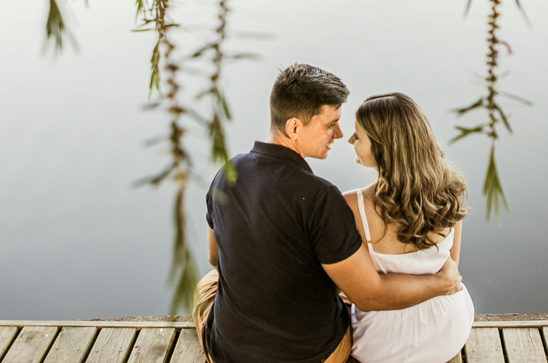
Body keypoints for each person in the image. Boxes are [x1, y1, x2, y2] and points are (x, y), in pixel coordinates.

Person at [193, 65, 461, 363]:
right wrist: (441, 283)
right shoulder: (321, 197)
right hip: (315, 356)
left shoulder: (226, 174)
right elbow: (369, 295)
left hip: (229, 353)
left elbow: (216, 258)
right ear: (294, 127)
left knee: (208, 284)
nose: (340, 133)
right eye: (330, 124)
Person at [344, 93, 475, 363]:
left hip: (384, 345)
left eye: (358, 137)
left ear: (382, 148)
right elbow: (451, 266)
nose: (350, 141)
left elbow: (356, 291)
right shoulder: (451, 189)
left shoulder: (351, 206)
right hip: (448, 327)